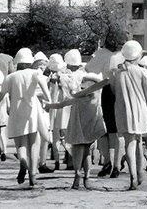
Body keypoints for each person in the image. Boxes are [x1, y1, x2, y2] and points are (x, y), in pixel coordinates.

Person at [46, 52, 115, 191]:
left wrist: (49, 105)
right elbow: (103, 82)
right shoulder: (96, 94)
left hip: (78, 127)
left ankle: (77, 174)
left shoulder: (79, 95)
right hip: (91, 125)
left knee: (78, 151)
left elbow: (63, 103)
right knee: (87, 152)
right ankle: (87, 177)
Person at [0, 47, 53, 187]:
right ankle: (32, 175)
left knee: (21, 143)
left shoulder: (11, 77)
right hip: (33, 111)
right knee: (34, 143)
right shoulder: (36, 73)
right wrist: (46, 101)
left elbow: (1, 95)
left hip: (16, 111)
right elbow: (46, 94)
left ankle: (23, 160)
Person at [110, 40, 147, 190]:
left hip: (123, 110)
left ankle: (135, 175)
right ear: (138, 55)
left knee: (129, 143)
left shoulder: (117, 73)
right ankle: (137, 175)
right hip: (139, 110)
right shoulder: (143, 72)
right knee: (138, 141)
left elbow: (114, 91)